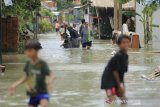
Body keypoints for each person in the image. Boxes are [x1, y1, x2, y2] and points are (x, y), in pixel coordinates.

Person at [9, 40, 56, 107]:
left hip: (42, 93)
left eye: (28, 50)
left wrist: (50, 81)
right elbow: (25, 77)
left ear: (34, 51)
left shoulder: (42, 63)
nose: (26, 52)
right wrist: (14, 85)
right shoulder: (28, 63)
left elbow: (52, 74)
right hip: (32, 94)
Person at [101, 35, 131, 104]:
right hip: (108, 80)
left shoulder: (125, 56)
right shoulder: (118, 56)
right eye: (124, 42)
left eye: (128, 42)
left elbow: (122, 73)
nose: (126, 44)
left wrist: (122, 86)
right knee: (112, 100)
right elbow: (115, 71)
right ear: (119, 45)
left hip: (116, 80)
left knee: (124, 99)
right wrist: (120, 86)